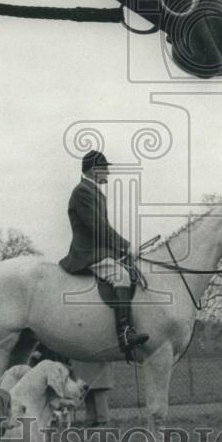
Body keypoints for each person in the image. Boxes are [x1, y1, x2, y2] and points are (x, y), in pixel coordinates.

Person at [59, 150, 149, 361]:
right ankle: (125, 333)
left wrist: (121, 250)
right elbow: (99, 228)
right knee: (121, 276)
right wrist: (125, 246)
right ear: (93, 170)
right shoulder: (82, 191)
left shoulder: (95, 192)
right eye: (104, 168)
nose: (108, 172)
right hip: (86, 252)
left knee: (130, 269)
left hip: (101, 250)